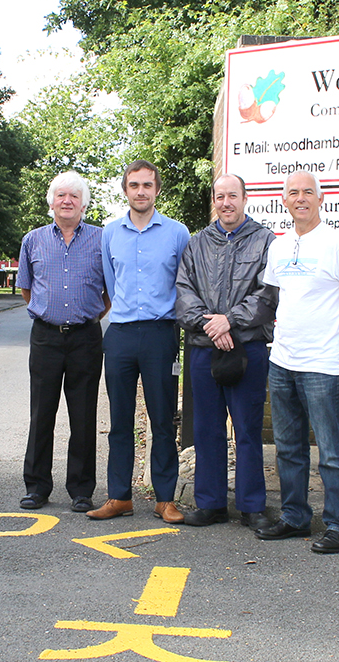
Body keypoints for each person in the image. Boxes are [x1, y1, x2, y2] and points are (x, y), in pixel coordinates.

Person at [258, 171, 339, 554]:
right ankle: (294, 517)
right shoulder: (278, 246)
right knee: (288, 447)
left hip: (321, 364)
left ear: (321, 199)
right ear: (284, 201)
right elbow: (278, 298)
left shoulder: (338, 244)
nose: (301, 198)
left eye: (308, 192)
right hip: (282, 360)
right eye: (293, 193)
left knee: (331, 450)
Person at [88, 161, 191, 523]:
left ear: (157, 190)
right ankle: (119, 497)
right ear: (125, 190)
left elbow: (185, 283)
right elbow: (110, 280)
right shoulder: (110, 233)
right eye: (134, 185)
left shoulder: (178, 233)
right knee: (119, 420)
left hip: (161, 334)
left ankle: (165, 499)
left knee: (163, 419)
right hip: (120, 335)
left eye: (148, 184)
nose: (141, 191)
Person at [174, 173, 277, 530]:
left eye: (232, 196)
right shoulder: (196, 243)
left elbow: (268, 294)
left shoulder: (265, 241)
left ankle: (252, 506)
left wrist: (229, 321)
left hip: (247, 348)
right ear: (214, 201)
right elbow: (183, 291)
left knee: (247, 429)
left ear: (245, 198)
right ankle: (211, 503)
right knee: (206, 429)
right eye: (220, 197)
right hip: (204, 349)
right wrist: (210, 325)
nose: (226, 203)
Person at [17, 170, 110, 513]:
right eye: (60, 196)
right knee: (41, 413)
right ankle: (37, 487)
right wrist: (46, 312)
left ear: (84, 203)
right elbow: (27, 288)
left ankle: (81, 489)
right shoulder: (34, 240)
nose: (67, 201)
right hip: (45, 337)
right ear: (51, 203)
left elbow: (109, 292)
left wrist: (91, 316)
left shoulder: (101, 239)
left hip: (86, 337)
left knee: (84, 415)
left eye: (74, 196)